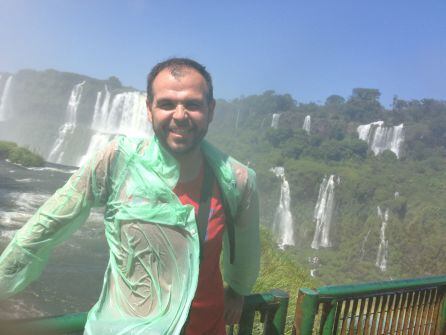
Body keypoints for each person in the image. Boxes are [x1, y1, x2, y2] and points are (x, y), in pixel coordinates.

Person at [0, 58, 260, 334]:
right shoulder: (116, 161)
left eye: (193, 104)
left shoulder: (236, 179)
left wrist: (239, 290)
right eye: (167, 104)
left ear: (211, 109)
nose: (180, 115)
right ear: (149, 109)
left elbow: (245, 250)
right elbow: (49, 222)